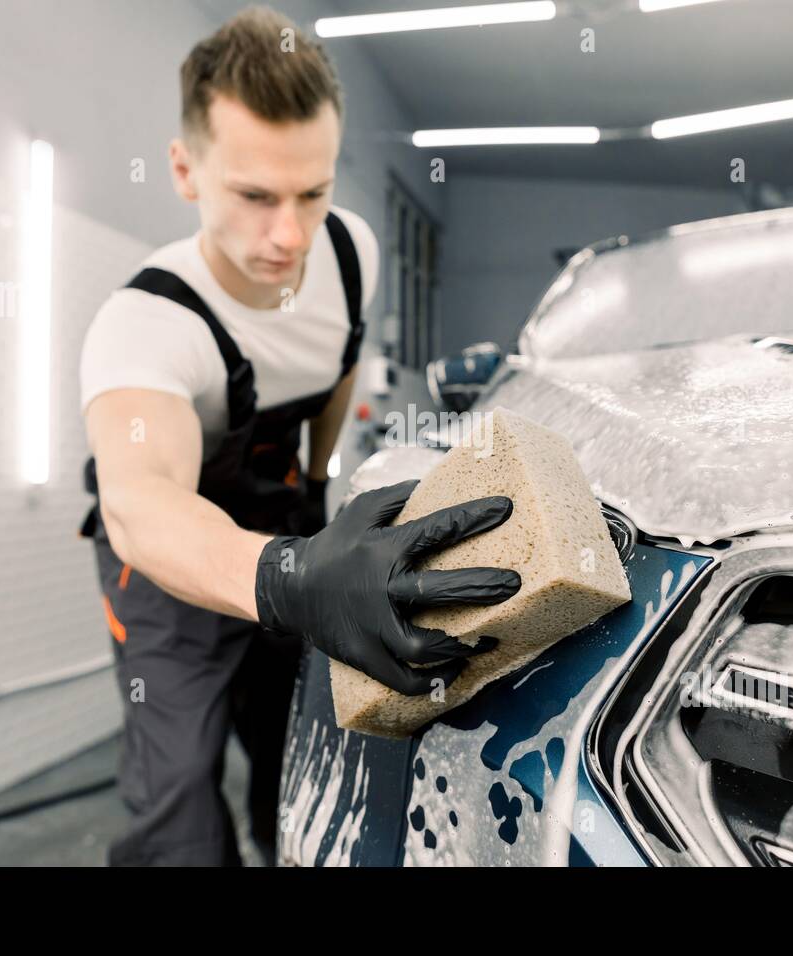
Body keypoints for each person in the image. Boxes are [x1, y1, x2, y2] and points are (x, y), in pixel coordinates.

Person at [76, 6, 522, 866]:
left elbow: (337, 369)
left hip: (287, 531)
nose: (288, 236)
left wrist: (320, 492)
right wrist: (289, 575)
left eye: (311, 193)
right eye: (253, 196)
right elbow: (139, 503)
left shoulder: (351, 252)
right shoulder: (144, 325)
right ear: (185, 171)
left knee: (300, 759)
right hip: (167, 571)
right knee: (178, 797)